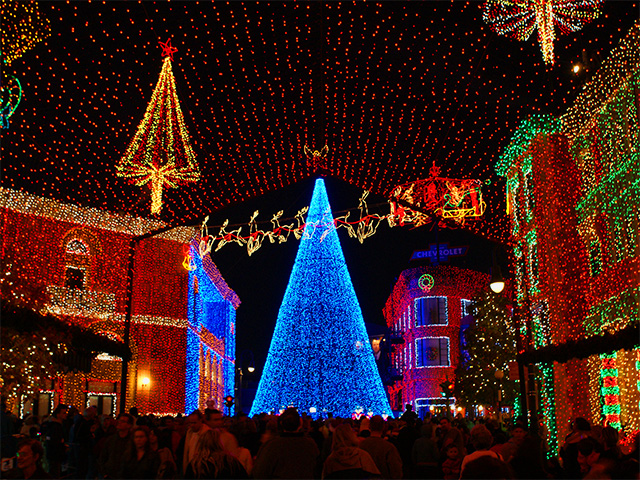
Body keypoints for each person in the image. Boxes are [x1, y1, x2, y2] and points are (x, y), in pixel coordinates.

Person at [253, 408, 320, 479]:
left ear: (281, 424)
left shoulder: (272, 445)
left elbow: (259, 472)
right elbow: (317, 469)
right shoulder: (310, 444)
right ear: (300, 424)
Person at [98, 412, 134, 478]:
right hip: (110, 474)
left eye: (122, 421)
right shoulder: (111, 439)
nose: (119, 422)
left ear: (129, 425)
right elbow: (103, 457)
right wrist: (104, 473)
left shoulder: (132, 441)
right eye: (119, 420)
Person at [181, 410, 212, 475]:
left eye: (194, 423)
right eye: (190, 423)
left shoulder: (207, 433)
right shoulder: (190, 432)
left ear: (200, 420)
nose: (192, 425)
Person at [43, 404, 69, 478]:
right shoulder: (56, 427)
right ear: (58, 415)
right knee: (55, 473)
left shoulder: (55, 426)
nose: (65, 415)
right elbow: (55, 441)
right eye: (64, 413)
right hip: (55, 455)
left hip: (54, 455)